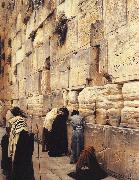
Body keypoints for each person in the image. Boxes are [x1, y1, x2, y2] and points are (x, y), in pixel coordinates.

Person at [8, 106, 34, 180]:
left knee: (18, 163)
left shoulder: (15, 120)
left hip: (18, 146)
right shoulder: (20, 120)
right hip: (21, 148)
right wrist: (32, 135)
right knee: (23, 164)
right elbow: (25, 136)